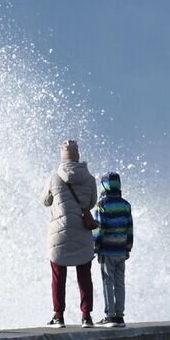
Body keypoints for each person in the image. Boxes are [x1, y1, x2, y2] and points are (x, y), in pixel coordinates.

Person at [40, 139, 98, 328]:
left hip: (59, 234)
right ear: (77, 155)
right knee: (84, 275)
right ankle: (86, 316)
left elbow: (45, 201)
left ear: (62, 157)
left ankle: (58, 316)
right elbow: (91, 203)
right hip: (82, 232)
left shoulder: (54, 177)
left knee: (58, 276)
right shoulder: (89, 179)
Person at [93, 172, 133, 327]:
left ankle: (109, 316)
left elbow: (99, 229)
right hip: (121, 250)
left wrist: (95, 247)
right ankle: (120, 316)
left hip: (107, 250)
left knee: (107, 282)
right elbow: (130, 229)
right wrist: (128, 247)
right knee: (120, 282)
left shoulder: (102, 205)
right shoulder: (126, 205)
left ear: (103, 186)